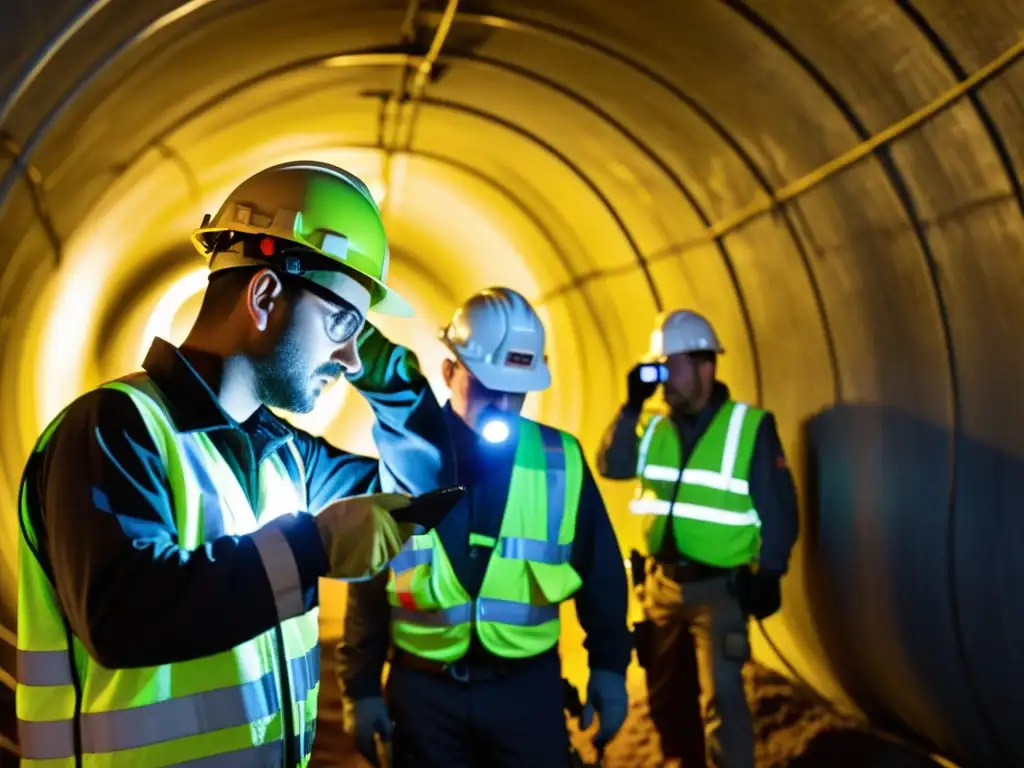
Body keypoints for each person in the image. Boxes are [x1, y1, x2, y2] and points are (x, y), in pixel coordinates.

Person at [14, 161, 455, 768]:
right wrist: (311, 549)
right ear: (266, 294)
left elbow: (423, 495)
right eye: (344, 324)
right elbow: (122, 615)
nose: (351, 358)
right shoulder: (113, 430)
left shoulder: (283, 454)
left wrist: (391, 375)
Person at [338, 287, 632, 767]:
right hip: (424, 694)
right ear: (450, 371)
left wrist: (609, 668)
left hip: (526, 692)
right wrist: (362, 688)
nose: (501, 402)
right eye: (487, 384)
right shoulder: (405, 461)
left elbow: (601, 574)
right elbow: (369, 582)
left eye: (515, 390)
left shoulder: (562, 462)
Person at [596, 309, 799, 768]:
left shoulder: (749, 429)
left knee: (723, 700)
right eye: (660, 368)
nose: (665, 379)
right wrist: (629, 407)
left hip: (719, 592)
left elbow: (780, 509)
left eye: (674, 366)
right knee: (666, 698)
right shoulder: (652, 427)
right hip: (661, 588)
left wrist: (770, 572)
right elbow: (611, 464)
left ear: (706, 366)